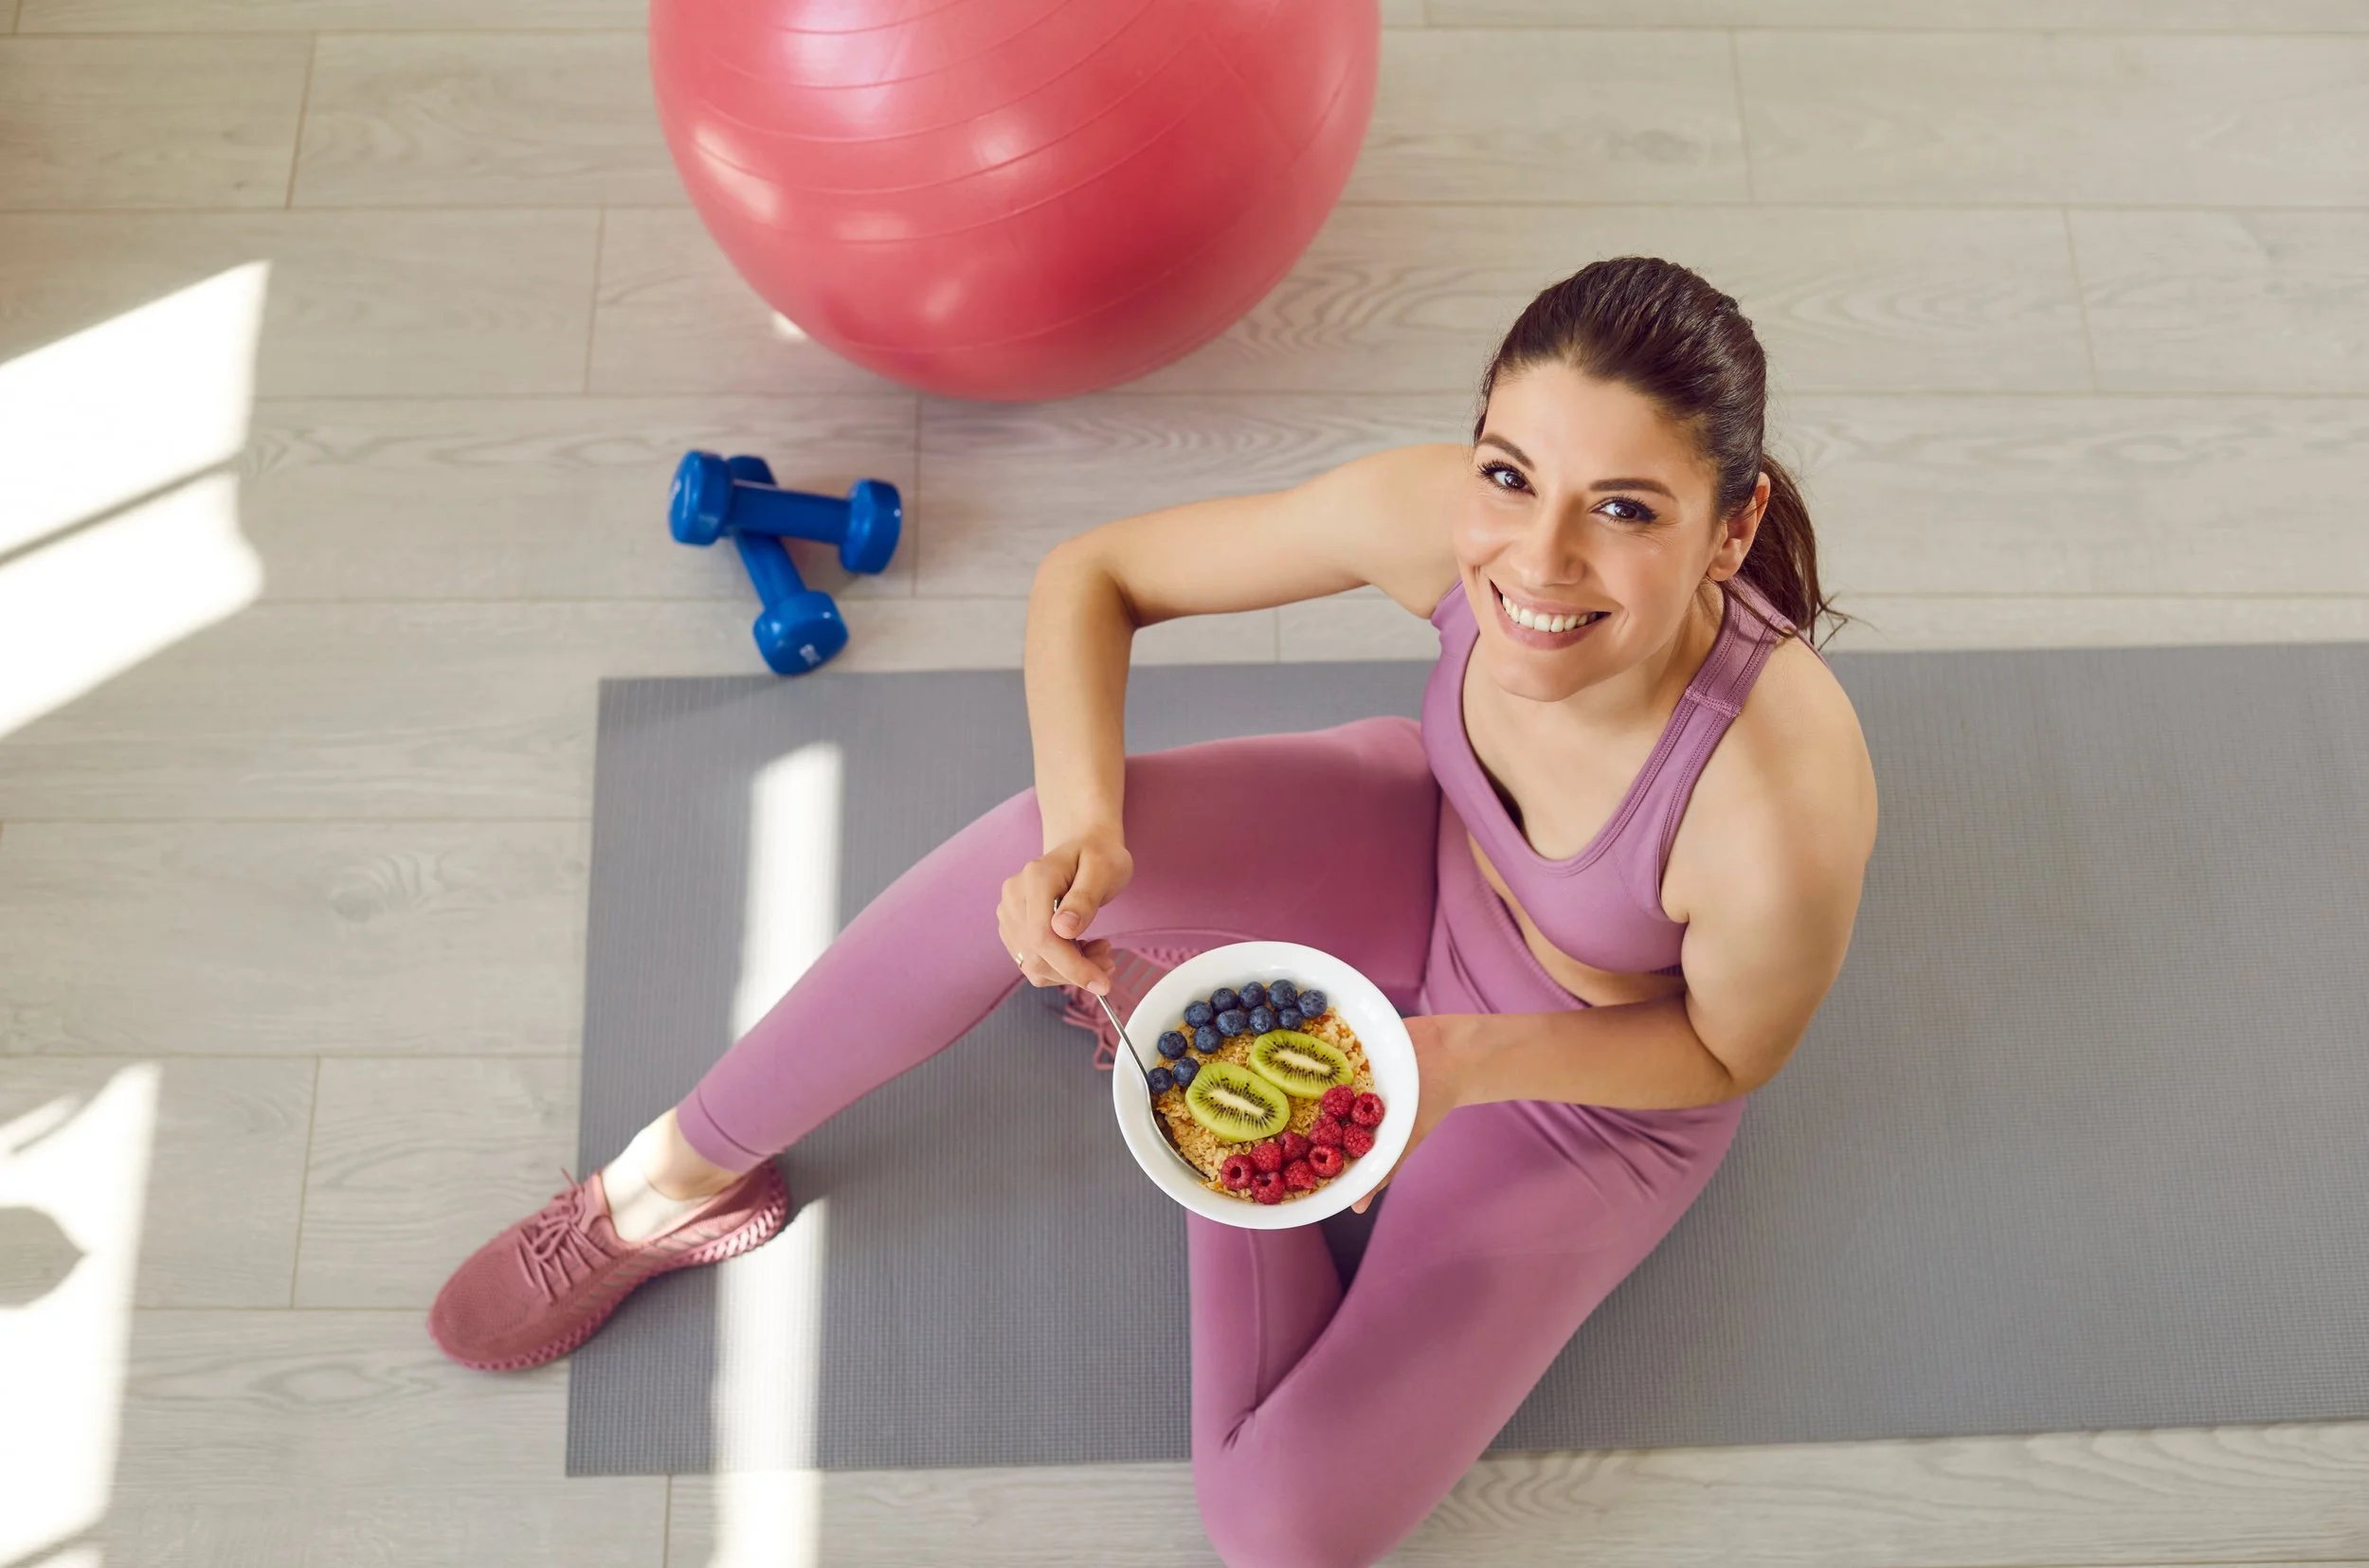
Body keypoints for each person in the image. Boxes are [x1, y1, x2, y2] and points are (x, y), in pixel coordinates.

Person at [429, 256, 1878, 1568]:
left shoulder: (1779, 802)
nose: (1536, 562)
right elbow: (1097, 575)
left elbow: (1723, 1056)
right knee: (1022, 848)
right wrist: (1090, 829)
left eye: (1623, 509)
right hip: (1418, 848)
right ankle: (671, 1184)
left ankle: (1198, 1071)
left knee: (1279, 1527)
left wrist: (1460, 1062)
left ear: (1729, 524)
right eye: (1511, 473)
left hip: (1584, 1087)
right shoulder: (1443, 522)